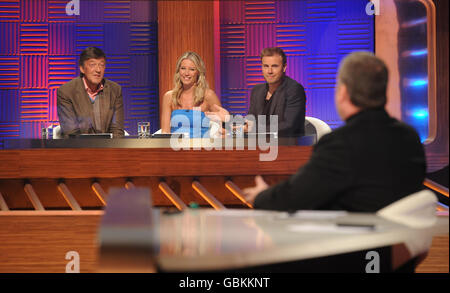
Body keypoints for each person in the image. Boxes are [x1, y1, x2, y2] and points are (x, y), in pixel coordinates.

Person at [243, 51, 426, 212]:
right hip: (401, 243)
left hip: (353, 244)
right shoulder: (410, 137)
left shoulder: (339, 144)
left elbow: (297, 195)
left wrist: (262, 196)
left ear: (343, 92)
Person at [57, 47, 124, 138]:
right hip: (78, 149)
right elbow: (71, 133)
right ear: (82, 68)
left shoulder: (115, 90)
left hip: (108, 149)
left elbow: (117, 131)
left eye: (101, 65)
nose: (98, 70)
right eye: (92, 65)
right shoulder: (66, 91)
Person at [161, 51, 228, 138]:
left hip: (202, 148)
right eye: (183, 68)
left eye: (192, 69)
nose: (186, 73)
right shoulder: (169, 97)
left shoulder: (208, 95)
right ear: (178, 71)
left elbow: (223, 128)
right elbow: (165, 132)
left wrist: (226, 122)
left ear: (198, 73)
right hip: (176, 148)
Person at [246, 47, 306, 137]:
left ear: (284, 67)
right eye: (266, 66)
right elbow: (250, 122)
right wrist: (228, 121)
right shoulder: (257, 91)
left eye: (274, 66)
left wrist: (253, 129)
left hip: (288, 146)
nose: (269, 71)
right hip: (260, 145)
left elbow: (289, 126)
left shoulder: (294, 90)